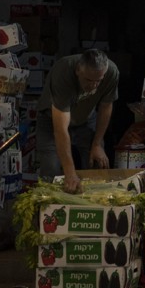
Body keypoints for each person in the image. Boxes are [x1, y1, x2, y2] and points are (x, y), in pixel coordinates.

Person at [36, 49, 119, 194]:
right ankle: (49, 213)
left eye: (98, 81)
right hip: (52, 121)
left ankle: (91, 210)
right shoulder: (63, 72)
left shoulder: (111, 72)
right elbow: (61, 130)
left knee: (97, 163)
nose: (93, 85)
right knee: (51, 169)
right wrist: (70, 172)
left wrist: (97, 143)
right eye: (88, 80)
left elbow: (106, 107)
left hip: (86, 118)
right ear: (78, 70)